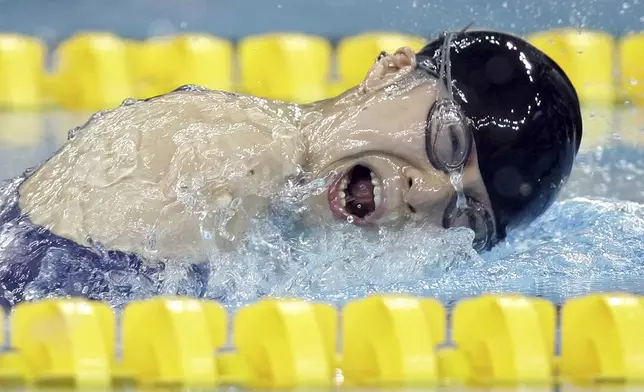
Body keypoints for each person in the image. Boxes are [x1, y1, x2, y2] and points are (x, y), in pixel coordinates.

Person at [0, 28, 582, 305]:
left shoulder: (280, 212)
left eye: (463, 215)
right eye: (447, 141)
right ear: (392, 73)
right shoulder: (230, 156)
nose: (427, 194)